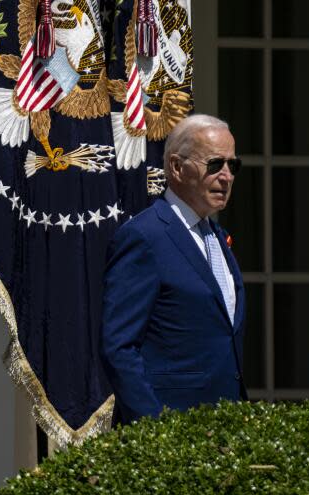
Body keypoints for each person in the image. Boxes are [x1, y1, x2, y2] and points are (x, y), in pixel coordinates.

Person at [101, 114, 247, 425]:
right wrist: (154, 429)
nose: (226, 176)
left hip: (225, 429)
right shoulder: (144, 236)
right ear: (177, 168)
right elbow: (119, 348)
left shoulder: (217, 237)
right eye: (214, 164)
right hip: (169, 436)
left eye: (232, 165)